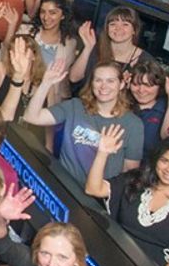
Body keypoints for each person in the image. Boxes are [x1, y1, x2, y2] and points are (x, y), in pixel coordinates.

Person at [85, 130, 169, 266]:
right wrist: (102, 153)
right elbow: (93, 188)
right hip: (106, 259)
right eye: (164, 160)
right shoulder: (136, 180)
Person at [26, 57, 143, 185]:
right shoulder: (75, 106)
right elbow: (31, 117)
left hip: (98, 196)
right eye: (98, 80)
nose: (104, 86)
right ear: (91, 83)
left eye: (110, 81)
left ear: (121, 84)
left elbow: (129, 172)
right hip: (64, 186)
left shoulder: (133, 124)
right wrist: (46, 84)